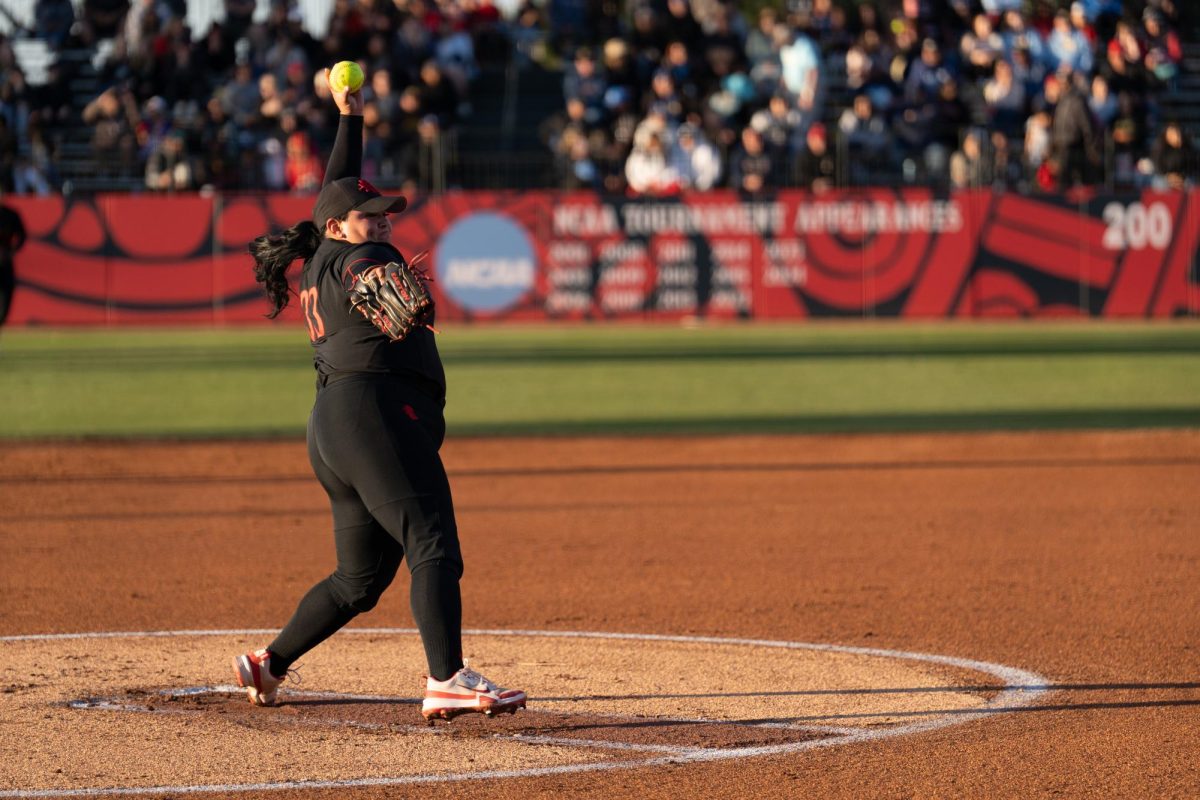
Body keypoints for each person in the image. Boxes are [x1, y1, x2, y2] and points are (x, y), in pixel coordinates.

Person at [236, 74, 526, 723]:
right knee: (433, 545)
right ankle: (446, 677)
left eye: (384, 214)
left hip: (335, 427)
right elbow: (366, 260)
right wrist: (378, 269)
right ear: (339, 226)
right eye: (369, 216)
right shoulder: (359, 254)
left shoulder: (320, 254)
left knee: (360, 579)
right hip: (376, 414)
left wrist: (351, 117)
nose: (381, 222)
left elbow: (336, 189)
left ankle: (269, 663)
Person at [0, 193, 25, 327]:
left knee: (7, 295)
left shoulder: (10, 215)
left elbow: (22, 235)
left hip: (5, 262)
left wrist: (11, 251)